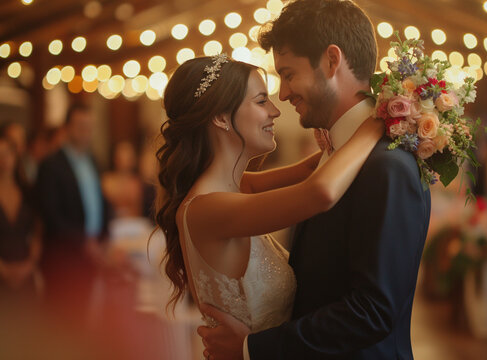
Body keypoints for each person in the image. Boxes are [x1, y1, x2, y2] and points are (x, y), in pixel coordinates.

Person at [198, 0, 431, 359]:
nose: (283, 93)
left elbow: (372, 311)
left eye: (288, 74)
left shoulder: (388, 166)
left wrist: (253, 349)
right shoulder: (334, 156)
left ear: (331, 60)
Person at [154, 48, 384, 356]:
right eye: (262, 101)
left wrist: (337, 130)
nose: (276, 111)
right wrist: (378, 122)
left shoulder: (236, 187)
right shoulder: (206, 209)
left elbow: (307, 170)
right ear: (221, 117)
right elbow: (319, 192)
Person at [35, 103, 110, 324]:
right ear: (67, 128)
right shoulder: (50, 165)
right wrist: (84, 243)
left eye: (89, 127)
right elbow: (51, 215)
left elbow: (101, 203)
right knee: (62, 324)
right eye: (80, 126)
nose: (85, 132)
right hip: (64, 258)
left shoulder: (93, 161)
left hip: (92, 254)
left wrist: (104, 236)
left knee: (87, 320)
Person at [0, 134, 42, 357]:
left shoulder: (28, 191)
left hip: (25, 273)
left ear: (15, 156)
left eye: (6, 154)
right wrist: (3, 271)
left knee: (28, 340)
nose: (2, 161)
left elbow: (37, 234)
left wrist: (29, 265)